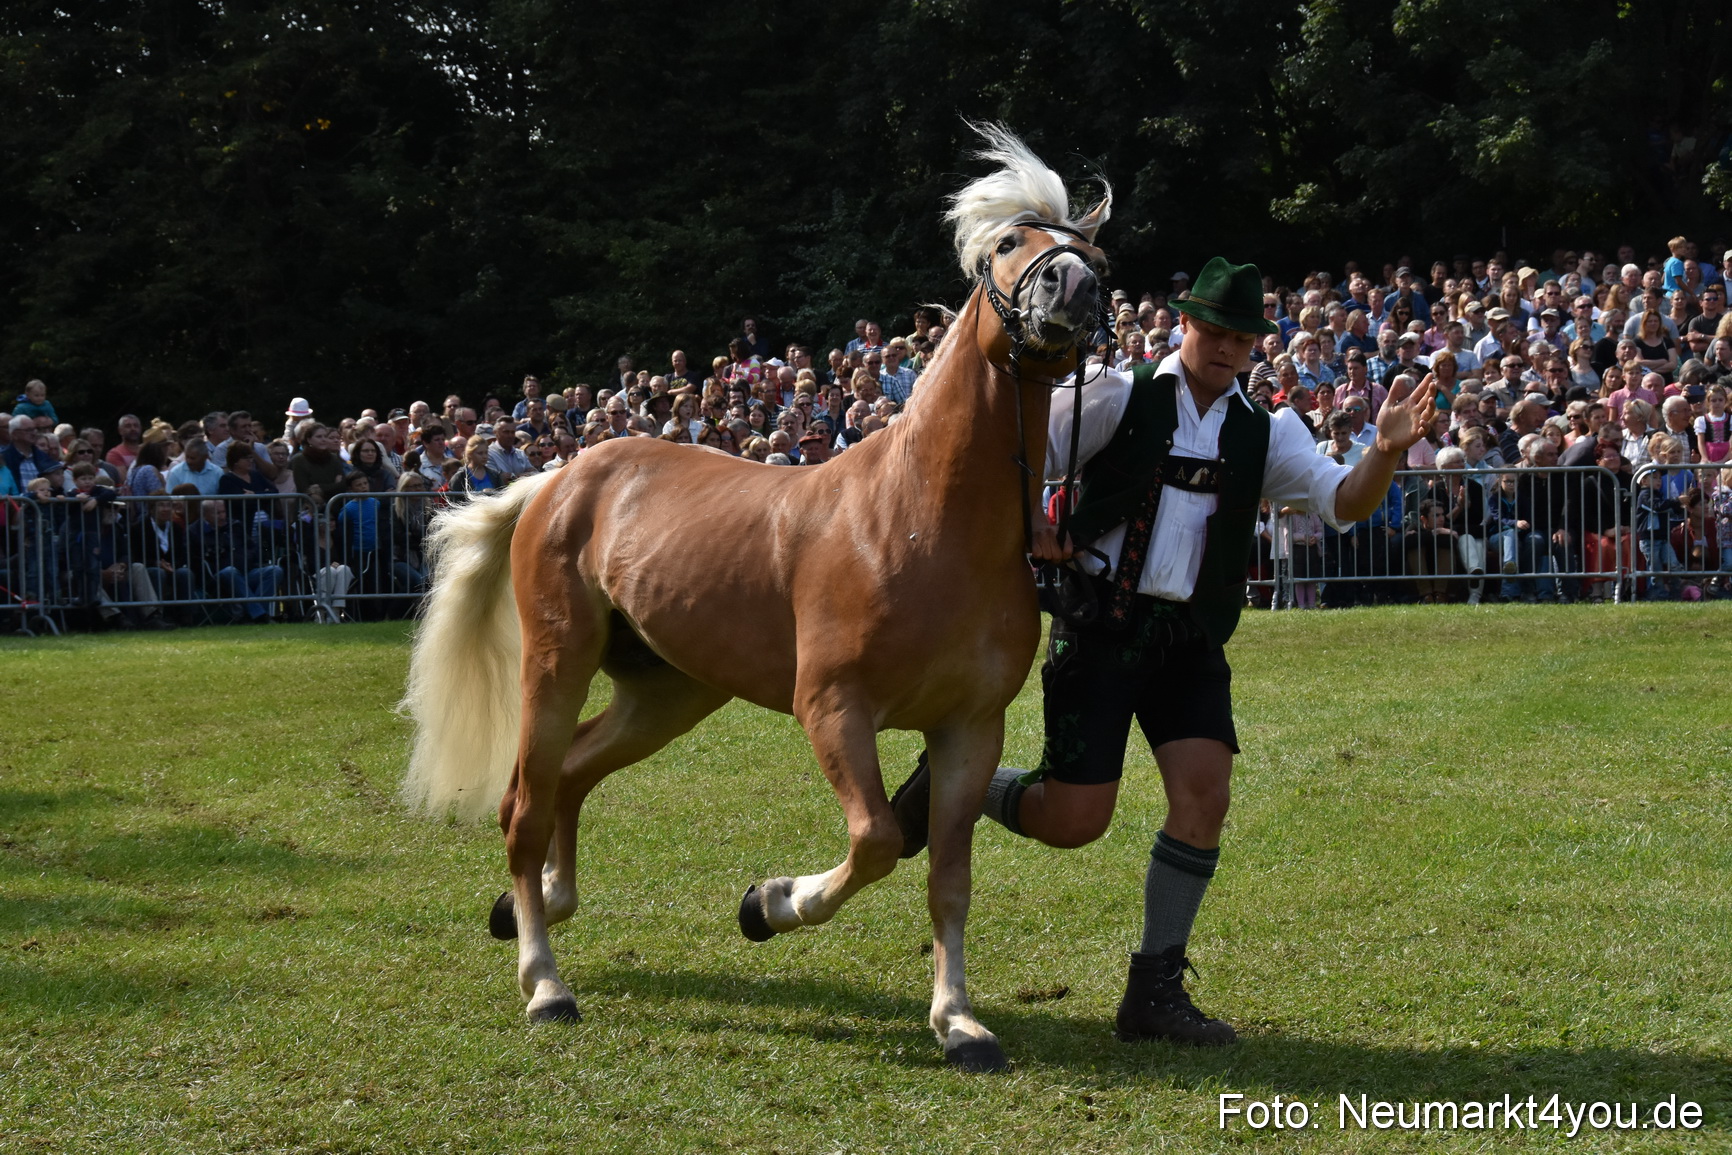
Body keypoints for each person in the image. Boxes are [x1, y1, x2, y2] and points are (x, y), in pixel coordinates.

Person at [888, 257, 1437, 1047]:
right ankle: (951, 782)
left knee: (1205, 795)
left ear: (1254, 344)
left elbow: (1343, 502)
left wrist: (1383, 453)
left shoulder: (1267, 428)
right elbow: (1019, 452)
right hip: (1103, 626)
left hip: (1189, 638)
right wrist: (1038, 522)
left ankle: (1153, 991)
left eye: (1240, 336)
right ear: (1184, 324)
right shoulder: (1119, 393)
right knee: (1076, 819)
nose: (1225, 347)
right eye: (1212, 330)